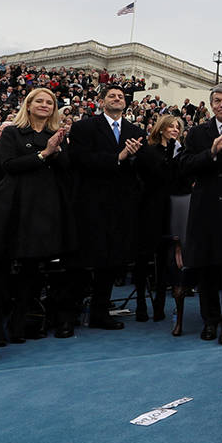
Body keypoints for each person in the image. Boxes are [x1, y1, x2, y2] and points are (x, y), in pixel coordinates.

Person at [0, 87, 75, 342]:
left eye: (50, 102)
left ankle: (19, 325)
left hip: (43, 208)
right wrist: (44, 153)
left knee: (32, 269)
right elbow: (9, 165)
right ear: (29, 105)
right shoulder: (12, 132)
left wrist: (56, 150)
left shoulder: (57, 135)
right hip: (12, 206)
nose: (45, 105)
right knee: (1, 268)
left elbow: (66, 168)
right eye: (40, 101)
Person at [65, 85, 145, 336]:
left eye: (121, 96)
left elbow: (141, 168)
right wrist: (118, 157)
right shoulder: (84, 127)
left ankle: (100, 313)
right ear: (101, 102)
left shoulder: (135, 131)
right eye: (112, 95)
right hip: (89, 204)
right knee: (79, 264)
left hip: (120, 207)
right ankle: (68, 315)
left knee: (110, 263)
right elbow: (81, 159)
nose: (117, 98)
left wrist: (134, 157)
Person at [178, 85, 222, 344]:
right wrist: (212, 152)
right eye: (217, 101)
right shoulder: (197, 132)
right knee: (205, 268)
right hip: (204, 210)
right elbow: (184, 166)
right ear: (211, 105)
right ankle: (210, 321)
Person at [135, 113, 187, 324]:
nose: (174, 129)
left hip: (172, 210)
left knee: (166, 259)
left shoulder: (181, 152)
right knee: (144, 256)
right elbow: (153, 175)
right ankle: (140, 302)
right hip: (150, 209)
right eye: (171, 126)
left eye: (177, 127)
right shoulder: (148, 151)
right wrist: (169, 154)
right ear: (161, 128)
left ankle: (160, 304)